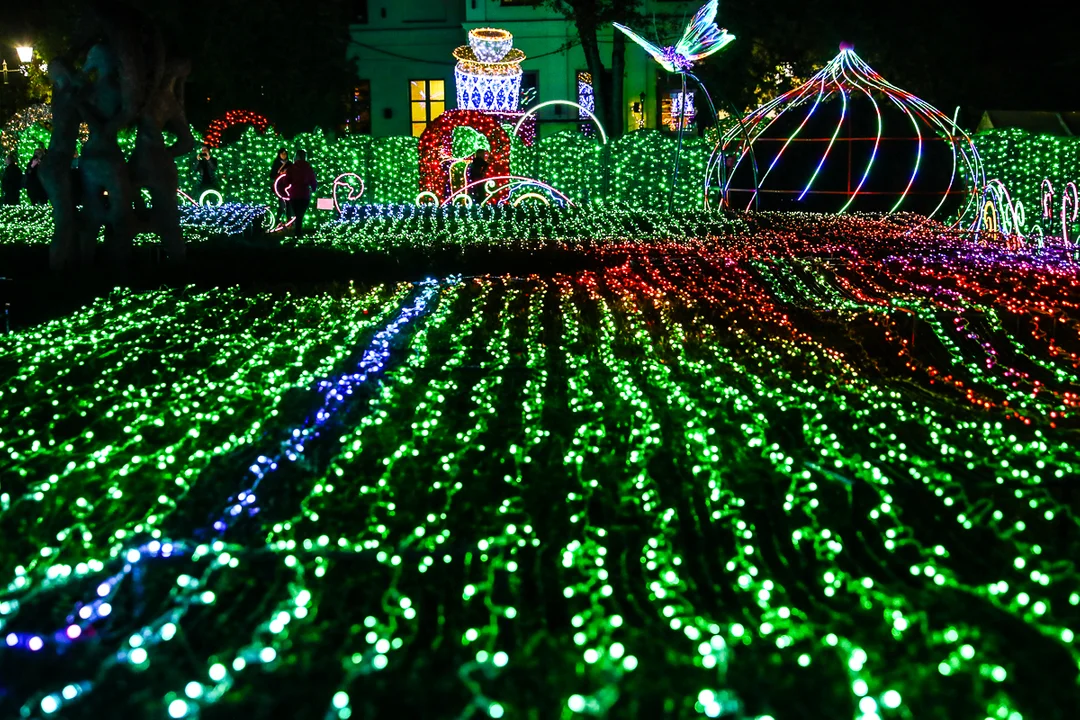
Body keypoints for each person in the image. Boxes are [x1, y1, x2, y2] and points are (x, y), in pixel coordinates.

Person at [285, 149, 317, 236]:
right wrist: (314, 188)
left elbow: (287, 181)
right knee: (300, 214)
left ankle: (297, 232)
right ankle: (298, 232)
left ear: (296, 157)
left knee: (297, 213)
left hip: (294, 194)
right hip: (305, 194)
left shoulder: (291, 168)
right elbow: (313, 181)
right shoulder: (308, 168)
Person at [270, 147, 291, 219]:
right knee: (282, 205)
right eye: (282, 153)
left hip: (288, 187)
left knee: (289, 205)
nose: (284, 155)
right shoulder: (276, 163)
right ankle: (277, 221)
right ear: (279, 154)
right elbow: (272, 175)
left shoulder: (289, 163)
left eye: (285, 153)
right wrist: (279, 174)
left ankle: (289, 221)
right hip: (279, 187)